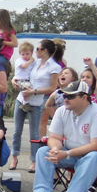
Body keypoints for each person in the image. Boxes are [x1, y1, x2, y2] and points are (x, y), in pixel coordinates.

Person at [23, 81, 97, 192]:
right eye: (64, 95)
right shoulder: (61, 111)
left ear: (84, 97)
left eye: (70, 96)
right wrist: (55, 149)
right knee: (43, 152)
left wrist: (66, 153)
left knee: (92, 157)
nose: (65, 99)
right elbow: (54, 137)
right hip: (72, 153)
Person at [12, 39, 62, 170]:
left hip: (35, 102)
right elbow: (22, 73)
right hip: (22, 98)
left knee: (34, 133)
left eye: (38, 49)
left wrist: (34, 92)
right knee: (17, 131)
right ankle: (14, 157)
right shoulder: (35, 62)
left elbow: (52, 87)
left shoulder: (54, 67)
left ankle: (34, 161)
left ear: (44, 51)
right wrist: (14, 81)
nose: (35, 51)